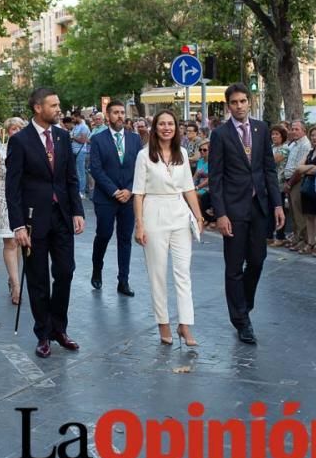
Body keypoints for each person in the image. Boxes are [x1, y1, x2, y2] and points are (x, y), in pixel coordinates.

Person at [7, 88, 85, 359]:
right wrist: (17, 226)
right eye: (54, 105)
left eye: (58, 104)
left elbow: (70, 178)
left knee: (65, 272)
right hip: (32, 220)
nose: (58, 109)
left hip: (62, 216)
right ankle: (43, 333)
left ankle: (59, 328)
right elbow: (12, 187)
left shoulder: (63, 137)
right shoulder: (20, 141)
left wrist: (78, 211)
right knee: (38, 279)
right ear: (38, 108)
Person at [207, 84, 285, 345]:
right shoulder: (220, 135)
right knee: (233, 266)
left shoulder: (261, 129)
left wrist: (277, 204)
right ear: (227, 105)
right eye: (234, 102)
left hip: (259, 207)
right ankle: (241, 320)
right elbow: (215, 178)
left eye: (243, 101)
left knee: (257, 260)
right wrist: (220, 214)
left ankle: (245, 304)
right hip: (233, 209)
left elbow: (268, 170)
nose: (239, 106)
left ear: (249, 102)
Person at [133, 110, 204, 347]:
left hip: (179, 214)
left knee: (183, 272)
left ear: (176, 128)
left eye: (170, 124)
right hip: (154, 213)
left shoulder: (182, 153)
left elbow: (188, 188)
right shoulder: (144, 156)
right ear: (155, 128)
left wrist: (198, 216)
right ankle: (163, 323)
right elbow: (138, 193)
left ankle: (185, 324)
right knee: (157, 273)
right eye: (162, 124)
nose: (166, 128)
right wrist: (140, 225)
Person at [89, 100, 142, 296]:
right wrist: (114, 191)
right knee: (103, 235)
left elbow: (140, 167)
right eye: (115, 113)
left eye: (122, 112)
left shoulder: (135, 139)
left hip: (128, 198)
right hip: (106, 198)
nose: (120, 116)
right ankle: (97, 268)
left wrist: (129, 190)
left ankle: (123, 280)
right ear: (108, 116)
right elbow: (95, 168)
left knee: (125, 239)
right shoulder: (98, 139)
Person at [0, 117, 26, 305]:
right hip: (3, 197)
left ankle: (13, 276)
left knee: (19, 241)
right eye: (12, 128)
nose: (15, 131)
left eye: (19, 128)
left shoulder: (30, 150)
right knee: (10, 242)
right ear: (7, 131)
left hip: (25, 198)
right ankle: (16, 285)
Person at [296, 126, 316, 256]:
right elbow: (299, 168)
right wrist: (311, 167)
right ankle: (311, 242)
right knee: (309, 216)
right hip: (307, 187)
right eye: (312, 135)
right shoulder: (310, 151)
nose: (314, 138)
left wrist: (307, 169)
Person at [283, 120, 312, 251]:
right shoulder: (294, 144)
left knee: (299, 212)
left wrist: (290, 183)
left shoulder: (305, 145)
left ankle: (303, 239)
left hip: (297, 181)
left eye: (296, 129)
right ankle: (296, 236)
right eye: (292, 129)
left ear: (303, 131)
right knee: (293, 212)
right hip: (289, 179)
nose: (293, 131)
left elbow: (299, 169)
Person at [268, 125, 290, 246]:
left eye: (277, 134)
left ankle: (280, 236)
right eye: (273, 134)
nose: (274, 136)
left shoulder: (284, 149)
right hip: (268, 183)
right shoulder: (271, 147)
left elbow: (273, 160)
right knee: (269, 210)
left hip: (279, 183)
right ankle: (269, 235)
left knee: (278, 209)